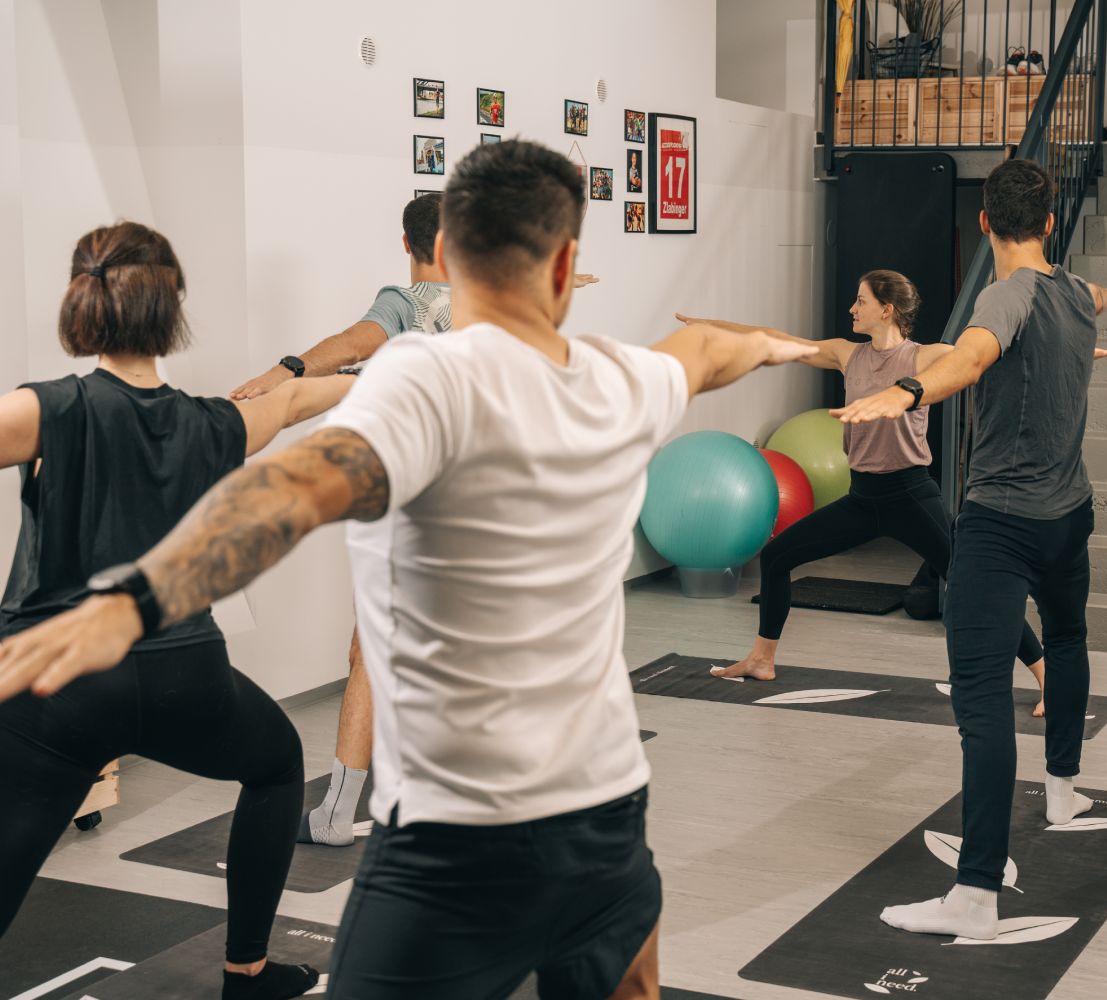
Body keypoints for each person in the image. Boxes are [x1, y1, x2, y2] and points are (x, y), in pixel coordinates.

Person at [0, 139, 816, 999]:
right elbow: (706, 351)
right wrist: (776, 344)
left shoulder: (416, 374)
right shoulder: (622, 376)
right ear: (570, 264)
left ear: (441, 258)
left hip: (454, 845)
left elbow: (296, 486)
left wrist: (135, 601)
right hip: (607, 825)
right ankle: (249, 968)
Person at [0, 221, 356, 999]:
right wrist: (397, 373)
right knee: (275, 766)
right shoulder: (211, 423)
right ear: (172, 309)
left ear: (81, 300)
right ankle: (247, 975)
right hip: (182, 676)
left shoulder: (46, 410)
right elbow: (295, 400)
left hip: (59, 689)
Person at [230, 194, 599, 848]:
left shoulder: (405, 304)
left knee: (373, 652)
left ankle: (346, 811)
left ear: (408, 242)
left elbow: (351, 344)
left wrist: (283, 370)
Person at [836, 159, 1107, 940]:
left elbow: (967, 360)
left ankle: (974, 896)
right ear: (1049, 220)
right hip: (1071, 513)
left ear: (982, 223)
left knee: (980, 702)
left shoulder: (1004, 296)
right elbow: (1092, 302)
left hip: (1003, 524)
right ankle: (1063, 790)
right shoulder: (1074, 290)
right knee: (1067, 640)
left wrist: (903, 393)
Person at [676, 264, 1107, 713]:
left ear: (886, 310)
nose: (852, 308)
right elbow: (771, 341)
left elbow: (995, 356)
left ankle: (1046, 677)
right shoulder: (846, 354)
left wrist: (1080, 350)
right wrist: (712, 328)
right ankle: (761, 658)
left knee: (972, 584)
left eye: (861, 301)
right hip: (861, 498)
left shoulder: (924, 357)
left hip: (910, 496)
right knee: (776, 557)